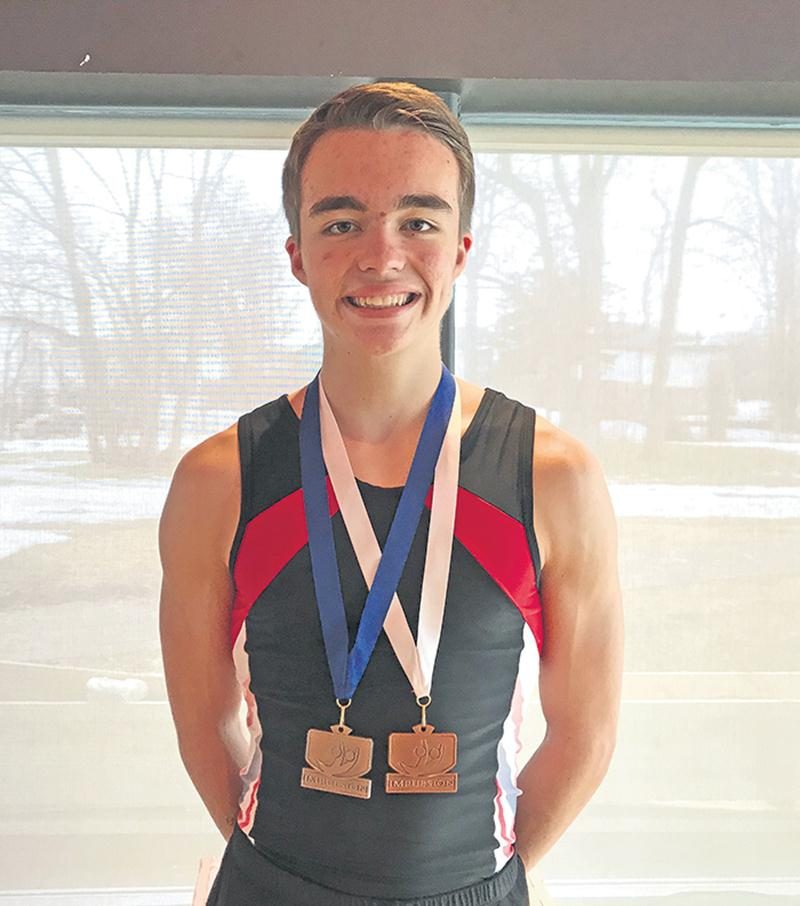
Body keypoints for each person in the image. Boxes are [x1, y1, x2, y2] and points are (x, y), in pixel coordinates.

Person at [159, 81, 624, 906]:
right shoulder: (219, 480)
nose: (381, 256)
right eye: (341, 223)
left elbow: (585, 735)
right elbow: (205, 725)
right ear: (297, 253)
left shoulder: (552, 477)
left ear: (461, 250)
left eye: (418, 221)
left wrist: (483, 881)